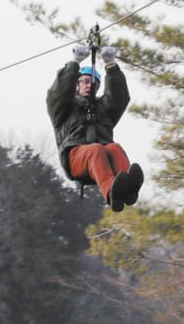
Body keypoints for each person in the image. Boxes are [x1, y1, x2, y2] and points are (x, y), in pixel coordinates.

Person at [47, 43, 144, 211]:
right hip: (75, 158)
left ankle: (127, 190)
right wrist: (74, 63)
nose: (88, 85)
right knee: (96, 149)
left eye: (93, 83)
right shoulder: (65, 109)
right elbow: (58, 94)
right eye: (84, 81)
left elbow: (118, 98)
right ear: (77, 85)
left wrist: (111, 66)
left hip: (101, 159)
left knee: (114, 147)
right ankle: (111, 193)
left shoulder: (102, 108)